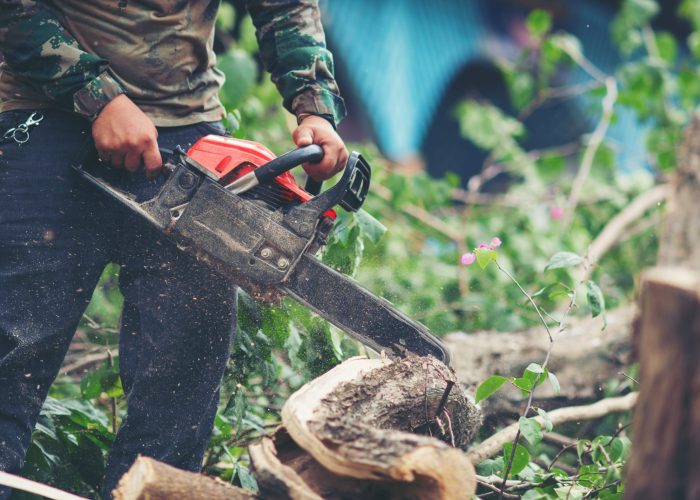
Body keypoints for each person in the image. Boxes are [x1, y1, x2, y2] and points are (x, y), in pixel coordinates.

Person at [0, 0, 348, 497]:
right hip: (45, 118)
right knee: (14, 349)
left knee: (182, 371)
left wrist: (313, 104)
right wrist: (98, 97)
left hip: (189, 129)